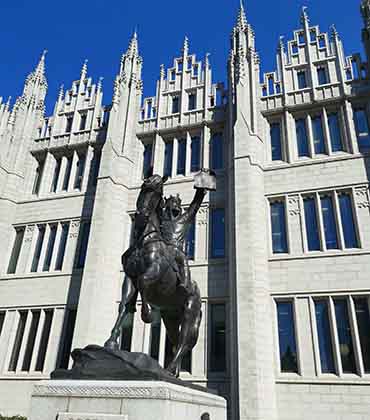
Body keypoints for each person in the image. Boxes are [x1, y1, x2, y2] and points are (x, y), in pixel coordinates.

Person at [161, 188, 207, 295]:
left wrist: (200, 192)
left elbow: (194, 206)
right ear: (167, 206)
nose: (176, 206)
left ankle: (184, 284)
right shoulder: (162, 221)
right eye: (173, 203)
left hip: (176, 250)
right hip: (163, 250)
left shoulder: (183, 219)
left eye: (177, 204)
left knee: (183, 261)